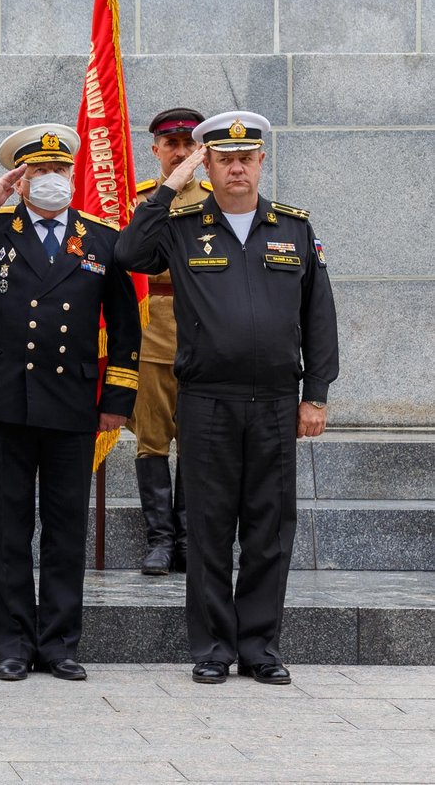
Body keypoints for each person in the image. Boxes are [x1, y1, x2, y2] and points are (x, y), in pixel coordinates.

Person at [117, 111, 337, 687]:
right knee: (211, 527)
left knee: (269, 529)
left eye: (247, 157)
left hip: (273, 402)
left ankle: (259, 647)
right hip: (207, 400)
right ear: (206, 164)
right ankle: (214, 647)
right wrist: (169, 184)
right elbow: (128, 254)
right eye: (222, 158)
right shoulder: (183, 225)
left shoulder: (294, 228)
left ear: (261, 162)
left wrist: (315, 395)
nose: (236, 166)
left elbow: (319, 316)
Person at [0, 123, 141, 683]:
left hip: (73, 404)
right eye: (38, 171)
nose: (51, 180)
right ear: (20, 179)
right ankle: (13, 642)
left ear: (72, 175)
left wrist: (117, 399)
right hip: (4, 401)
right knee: (9, 527)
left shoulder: (100, 238)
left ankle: (60, 643)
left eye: (59, 170)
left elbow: (126, 326)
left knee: (66, 528)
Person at [129, 107, 208, 576]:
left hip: (204, 336)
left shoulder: (219, 197)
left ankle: (189, 539)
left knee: (197, 442)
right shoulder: (140, 200)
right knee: (152, 441)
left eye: (187, 145)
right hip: (153, 335)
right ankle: (159, 539)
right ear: (155, 149)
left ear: (201, 151)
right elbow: (131, 259)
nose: (179, 152)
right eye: (170, 144)